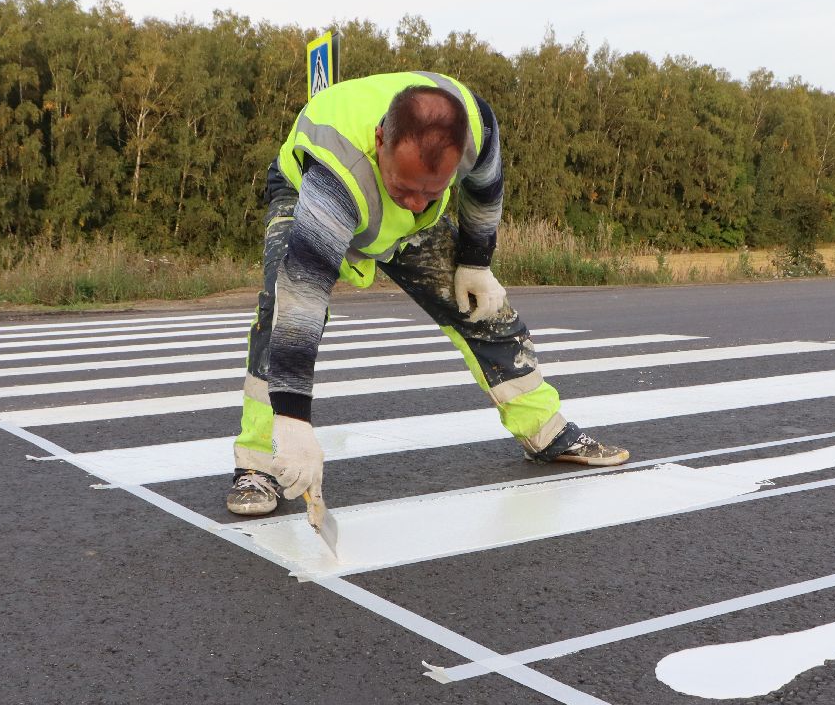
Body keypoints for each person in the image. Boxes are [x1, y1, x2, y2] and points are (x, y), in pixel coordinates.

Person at [226, 71, 628, 517]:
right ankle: (260, 464)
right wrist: (293, 416)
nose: (416, 202)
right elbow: (302, 302)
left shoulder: (477, 129)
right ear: (380, 139)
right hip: (307, 192)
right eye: (405, 188)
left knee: (483, 309)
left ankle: (547, 432)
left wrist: (477, 261)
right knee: (279, 312)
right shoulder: (336, 175)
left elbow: (484, 192)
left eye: (431, 191)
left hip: (402, 226)